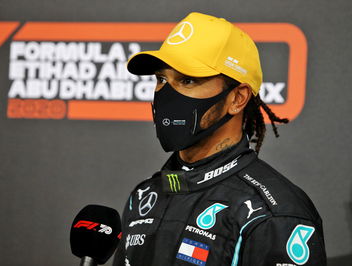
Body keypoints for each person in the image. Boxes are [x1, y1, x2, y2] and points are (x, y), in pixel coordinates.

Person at [113, 12, 326, 266]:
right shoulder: (145, 195)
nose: (167, 94)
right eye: (161, 79)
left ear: (237, 98)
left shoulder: (274, 214)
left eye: (188, 80)